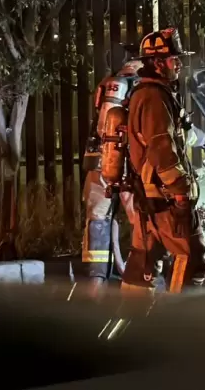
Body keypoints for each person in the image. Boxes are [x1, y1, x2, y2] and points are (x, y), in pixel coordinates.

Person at [119, 28, 205, 296]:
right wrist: (181, 192)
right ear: (157, 63)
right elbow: (162, 149)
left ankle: (130, 323)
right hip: (166, 199)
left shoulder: (148, 93)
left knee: (143, 261)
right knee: (192, 259)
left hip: (149, 198)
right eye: (173, 59)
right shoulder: (154, 97)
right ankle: (176, 326)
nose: (179, 63)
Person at [81, 59, 143, 292]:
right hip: (124, 163)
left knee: (97, 219)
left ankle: (94, 286)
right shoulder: (139, 84)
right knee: (139, 219)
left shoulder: (107, 84)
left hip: (97, 162)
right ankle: (142, 280)